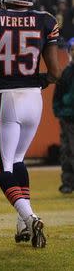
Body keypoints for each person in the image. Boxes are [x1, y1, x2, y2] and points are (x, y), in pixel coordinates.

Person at [0, 0, 61, 248]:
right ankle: (22, 224)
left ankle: (30, 216)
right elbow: (56, 72)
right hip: (34, 100)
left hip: (6, 99)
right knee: (18, 160)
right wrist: (41, 80)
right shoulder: (45, 20)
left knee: (1, 169)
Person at [53, 37, 74, 194]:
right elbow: (57, 96)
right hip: (67, 117)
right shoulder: (65, 73)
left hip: (67, 115)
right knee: (66, 150)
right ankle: (67, 182)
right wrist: (60, 112)